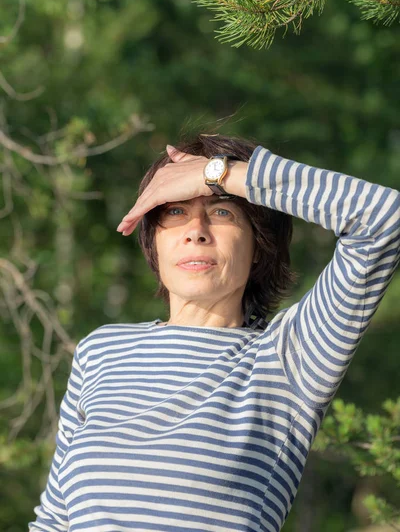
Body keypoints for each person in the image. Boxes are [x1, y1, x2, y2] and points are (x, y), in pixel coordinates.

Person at [29, 132, 400, 532]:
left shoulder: (286, 359)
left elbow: (382, 219)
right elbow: (54, 521)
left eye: (222, 212)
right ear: (153, 240)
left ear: (259, 247)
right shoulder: (101, 350)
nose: (196, 230)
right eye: (174, 211)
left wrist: (219, 174)